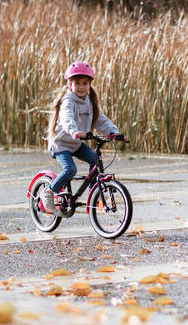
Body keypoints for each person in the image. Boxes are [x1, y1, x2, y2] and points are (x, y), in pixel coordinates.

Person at [40, 61, 125, 212]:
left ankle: (93, 193)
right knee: (70, 169)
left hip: (76, 143)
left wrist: (114, 133)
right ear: (69, 84)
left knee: (96, 160)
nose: (81, 87)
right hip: (61, 144)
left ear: (90, 85)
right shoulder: (68, 101)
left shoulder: (90, 102)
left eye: (85, 83)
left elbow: (101, 120)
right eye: (77, 83)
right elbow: (67, 118)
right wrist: (74, 131)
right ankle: (49, 192)